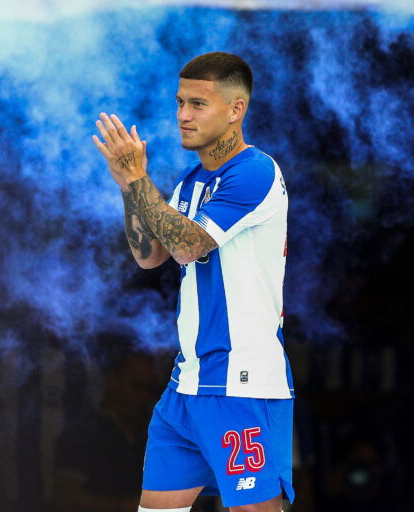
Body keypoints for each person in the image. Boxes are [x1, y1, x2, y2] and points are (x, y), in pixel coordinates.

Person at [92, 51, 294, 512]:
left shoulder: (254, 171)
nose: (183, 115)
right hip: (188, 384)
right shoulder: (190, 182)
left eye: (198, 104)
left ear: (235, 109)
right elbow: (149, 256)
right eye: (180, 102)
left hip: (241, 385)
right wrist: (129, 186)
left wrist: (141, 179)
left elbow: (187, 247)